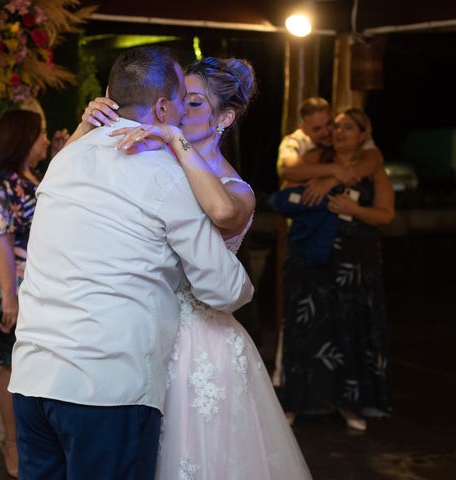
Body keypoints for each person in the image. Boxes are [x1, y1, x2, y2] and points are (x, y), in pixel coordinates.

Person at [8, 46, 254, 480]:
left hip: (33, 378)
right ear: (162, 108)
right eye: (182, 101)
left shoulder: (65, 160)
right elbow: (223, 288)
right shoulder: (165, 173)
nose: (183, 113)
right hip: (105, 386)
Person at [83, 57, 313, 479]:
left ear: (224, 117)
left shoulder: (234, 187)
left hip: (199, 345)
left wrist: (174, 140)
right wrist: (89, 129)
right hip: (142, 332)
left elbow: (224, 214)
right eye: (175, 100)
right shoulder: (150, 161)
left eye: (193, 103)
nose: (176, 111)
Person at [281, 108, 394, 431]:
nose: (341, 132)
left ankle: (351, 404)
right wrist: (330, 174)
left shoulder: (373, 164)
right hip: (315, 258)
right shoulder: (318, 155)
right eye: (337, 126)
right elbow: (289, 173)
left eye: (348, 127)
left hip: (356, 261)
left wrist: (353, 209)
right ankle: (298, 401)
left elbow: (386, 215)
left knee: (351, 329)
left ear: (362, 134)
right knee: (309, 326)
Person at [0, 109, 51, 477]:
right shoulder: (3, 182)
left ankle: (28, 443)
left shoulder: (25, 177)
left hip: (30, 284)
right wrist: (9, 297)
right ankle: (12, 445)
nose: (46, 141)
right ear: (23, 139)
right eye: (41, 135)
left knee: (24, 362)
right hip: (8, 284)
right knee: (10, 362)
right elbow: (1, 240)